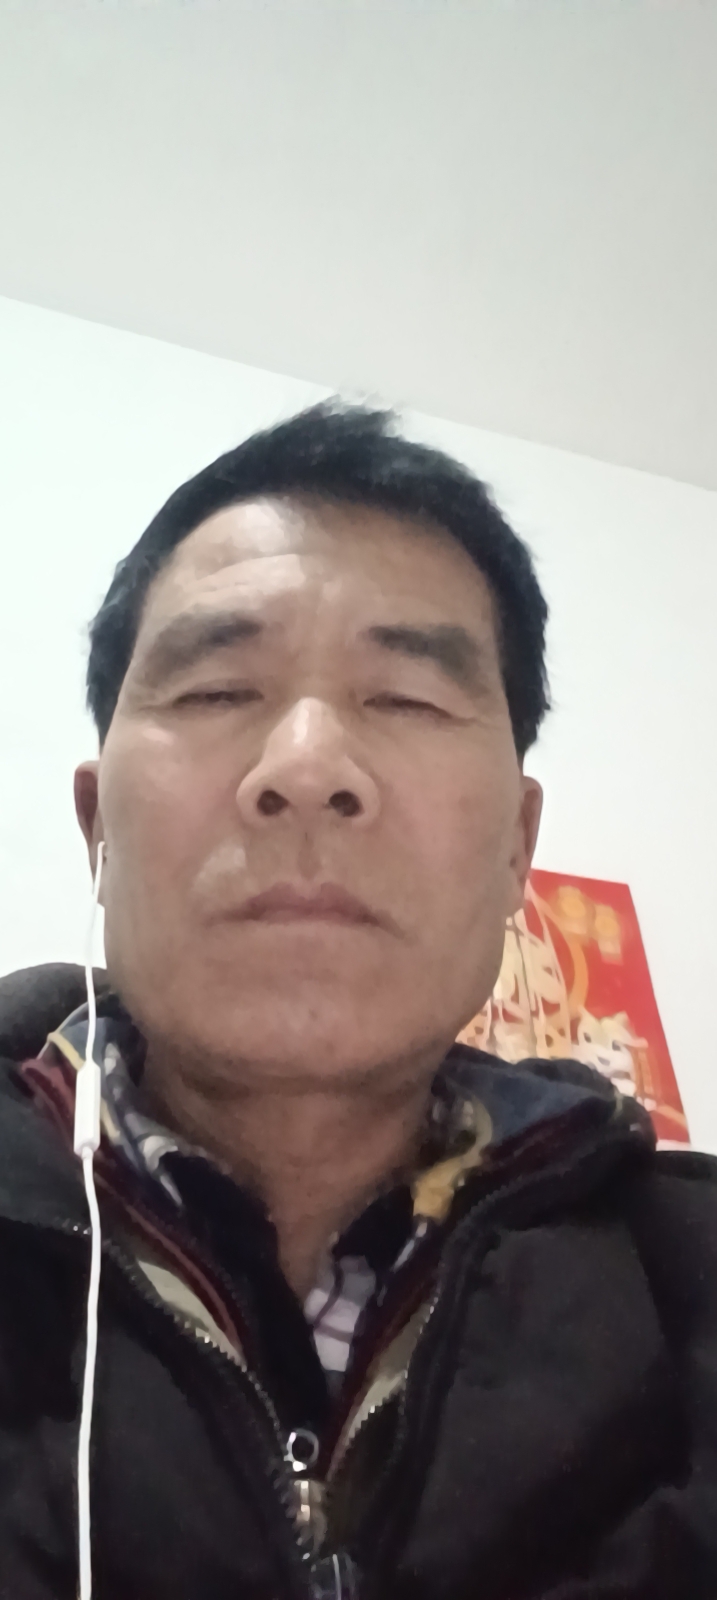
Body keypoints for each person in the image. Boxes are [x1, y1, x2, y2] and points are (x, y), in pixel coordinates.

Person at [0, 401, 714, 1600]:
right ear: (95, 828)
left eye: (409, 699)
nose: (307, 766)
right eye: (217, 689)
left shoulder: (691, 1286)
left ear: (516, 848)